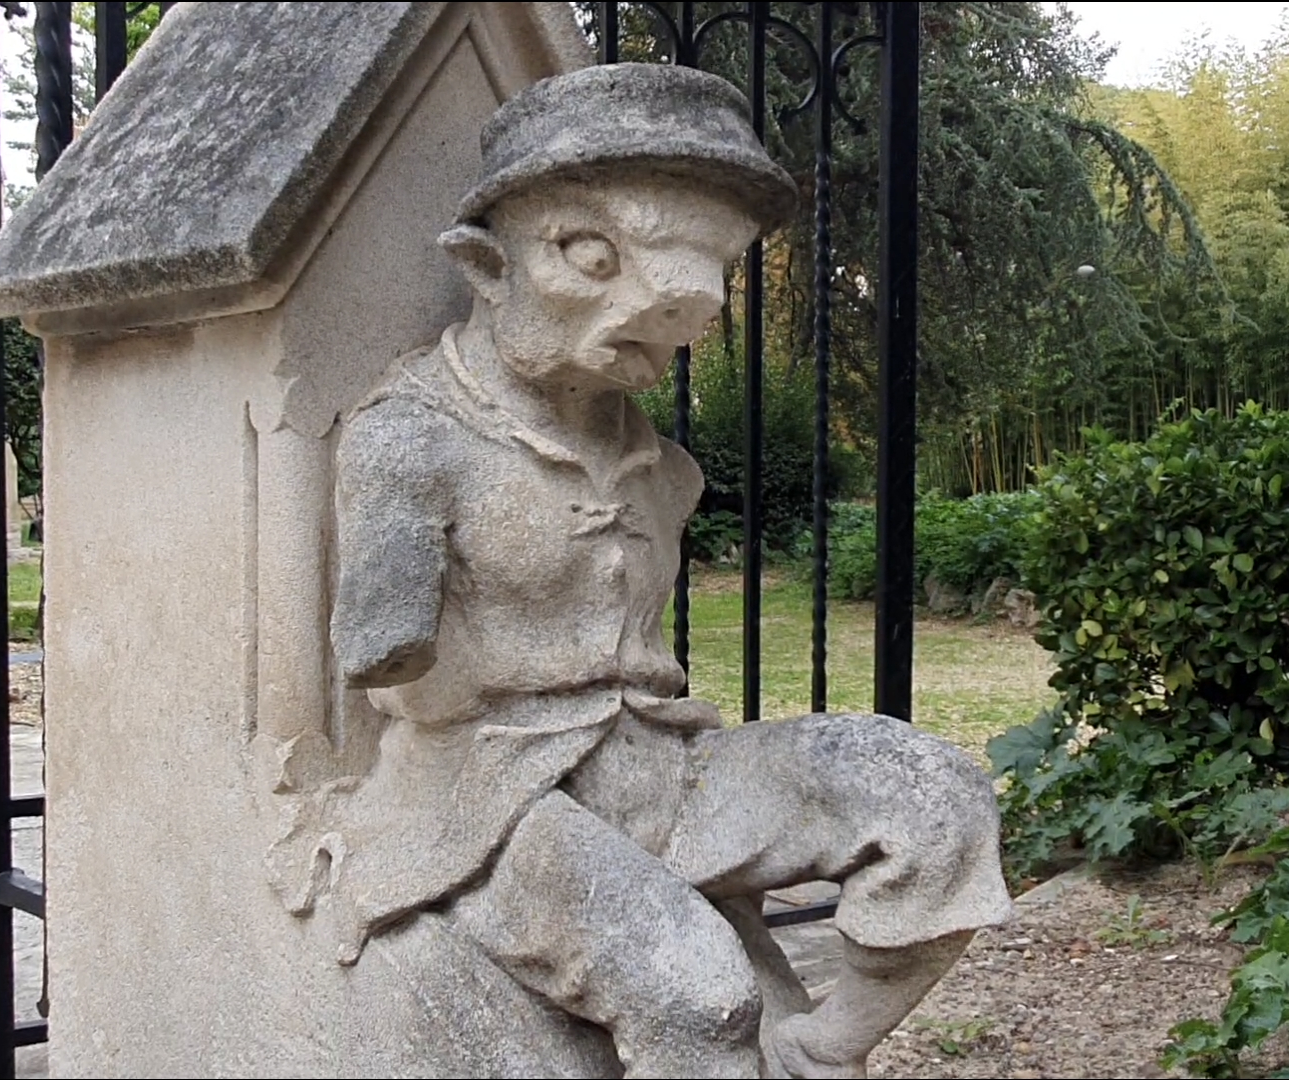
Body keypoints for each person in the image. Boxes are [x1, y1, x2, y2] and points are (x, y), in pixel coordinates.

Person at [287, 63, 1012, 1079]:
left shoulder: (660, 464)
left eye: (707, 271)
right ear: (487, 268)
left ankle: (821, 1048)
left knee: (932, 798)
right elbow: (376, 648)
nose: (680, 307)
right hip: (487, 796)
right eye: (591, 256)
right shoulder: (411, 437)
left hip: (656, 763)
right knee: (696, 988)